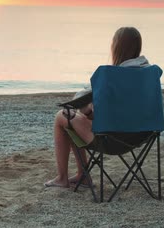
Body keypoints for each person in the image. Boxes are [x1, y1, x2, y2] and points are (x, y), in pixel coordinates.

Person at [44, 26, 150, 188]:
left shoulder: (110, 75)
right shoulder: (149, 73)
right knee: (73, 120)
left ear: (116, 47)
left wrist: (86, 109)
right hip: (142, 135)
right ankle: (82, 175)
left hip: (111, 140)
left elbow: (89, 112)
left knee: (62, 116)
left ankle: (63, 178)